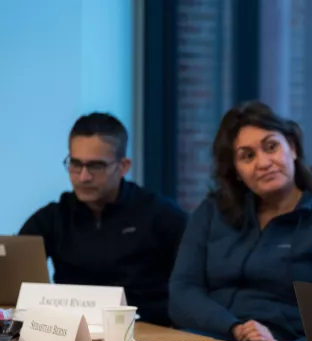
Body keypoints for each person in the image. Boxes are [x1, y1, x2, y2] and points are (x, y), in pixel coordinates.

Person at [169, 102, 312, 341]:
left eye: (271, 147)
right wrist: (236, 328)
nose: (263, 163)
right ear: (237, 171)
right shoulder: (212, 211)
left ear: (292, 148)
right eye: (247, 156)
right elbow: (182, 292)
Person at [19, 113, 187, 326]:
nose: (83, 177)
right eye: (75, 164)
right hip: (70, 333)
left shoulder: (161, 215)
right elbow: (16, 276)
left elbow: (192, 284)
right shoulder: (53, 217)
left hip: (147, 333)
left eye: (96, 166)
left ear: (123, 166)